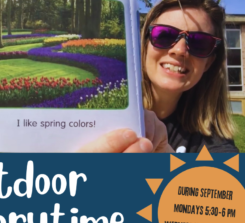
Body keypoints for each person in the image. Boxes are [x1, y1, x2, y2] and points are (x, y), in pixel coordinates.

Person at [79, 0, 239, 153]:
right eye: (165, 35)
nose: (179, 50)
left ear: (208, 63)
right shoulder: (97, 112)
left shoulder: (213, 140)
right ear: (144, 45)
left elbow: (227, 180)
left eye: (199, 43)